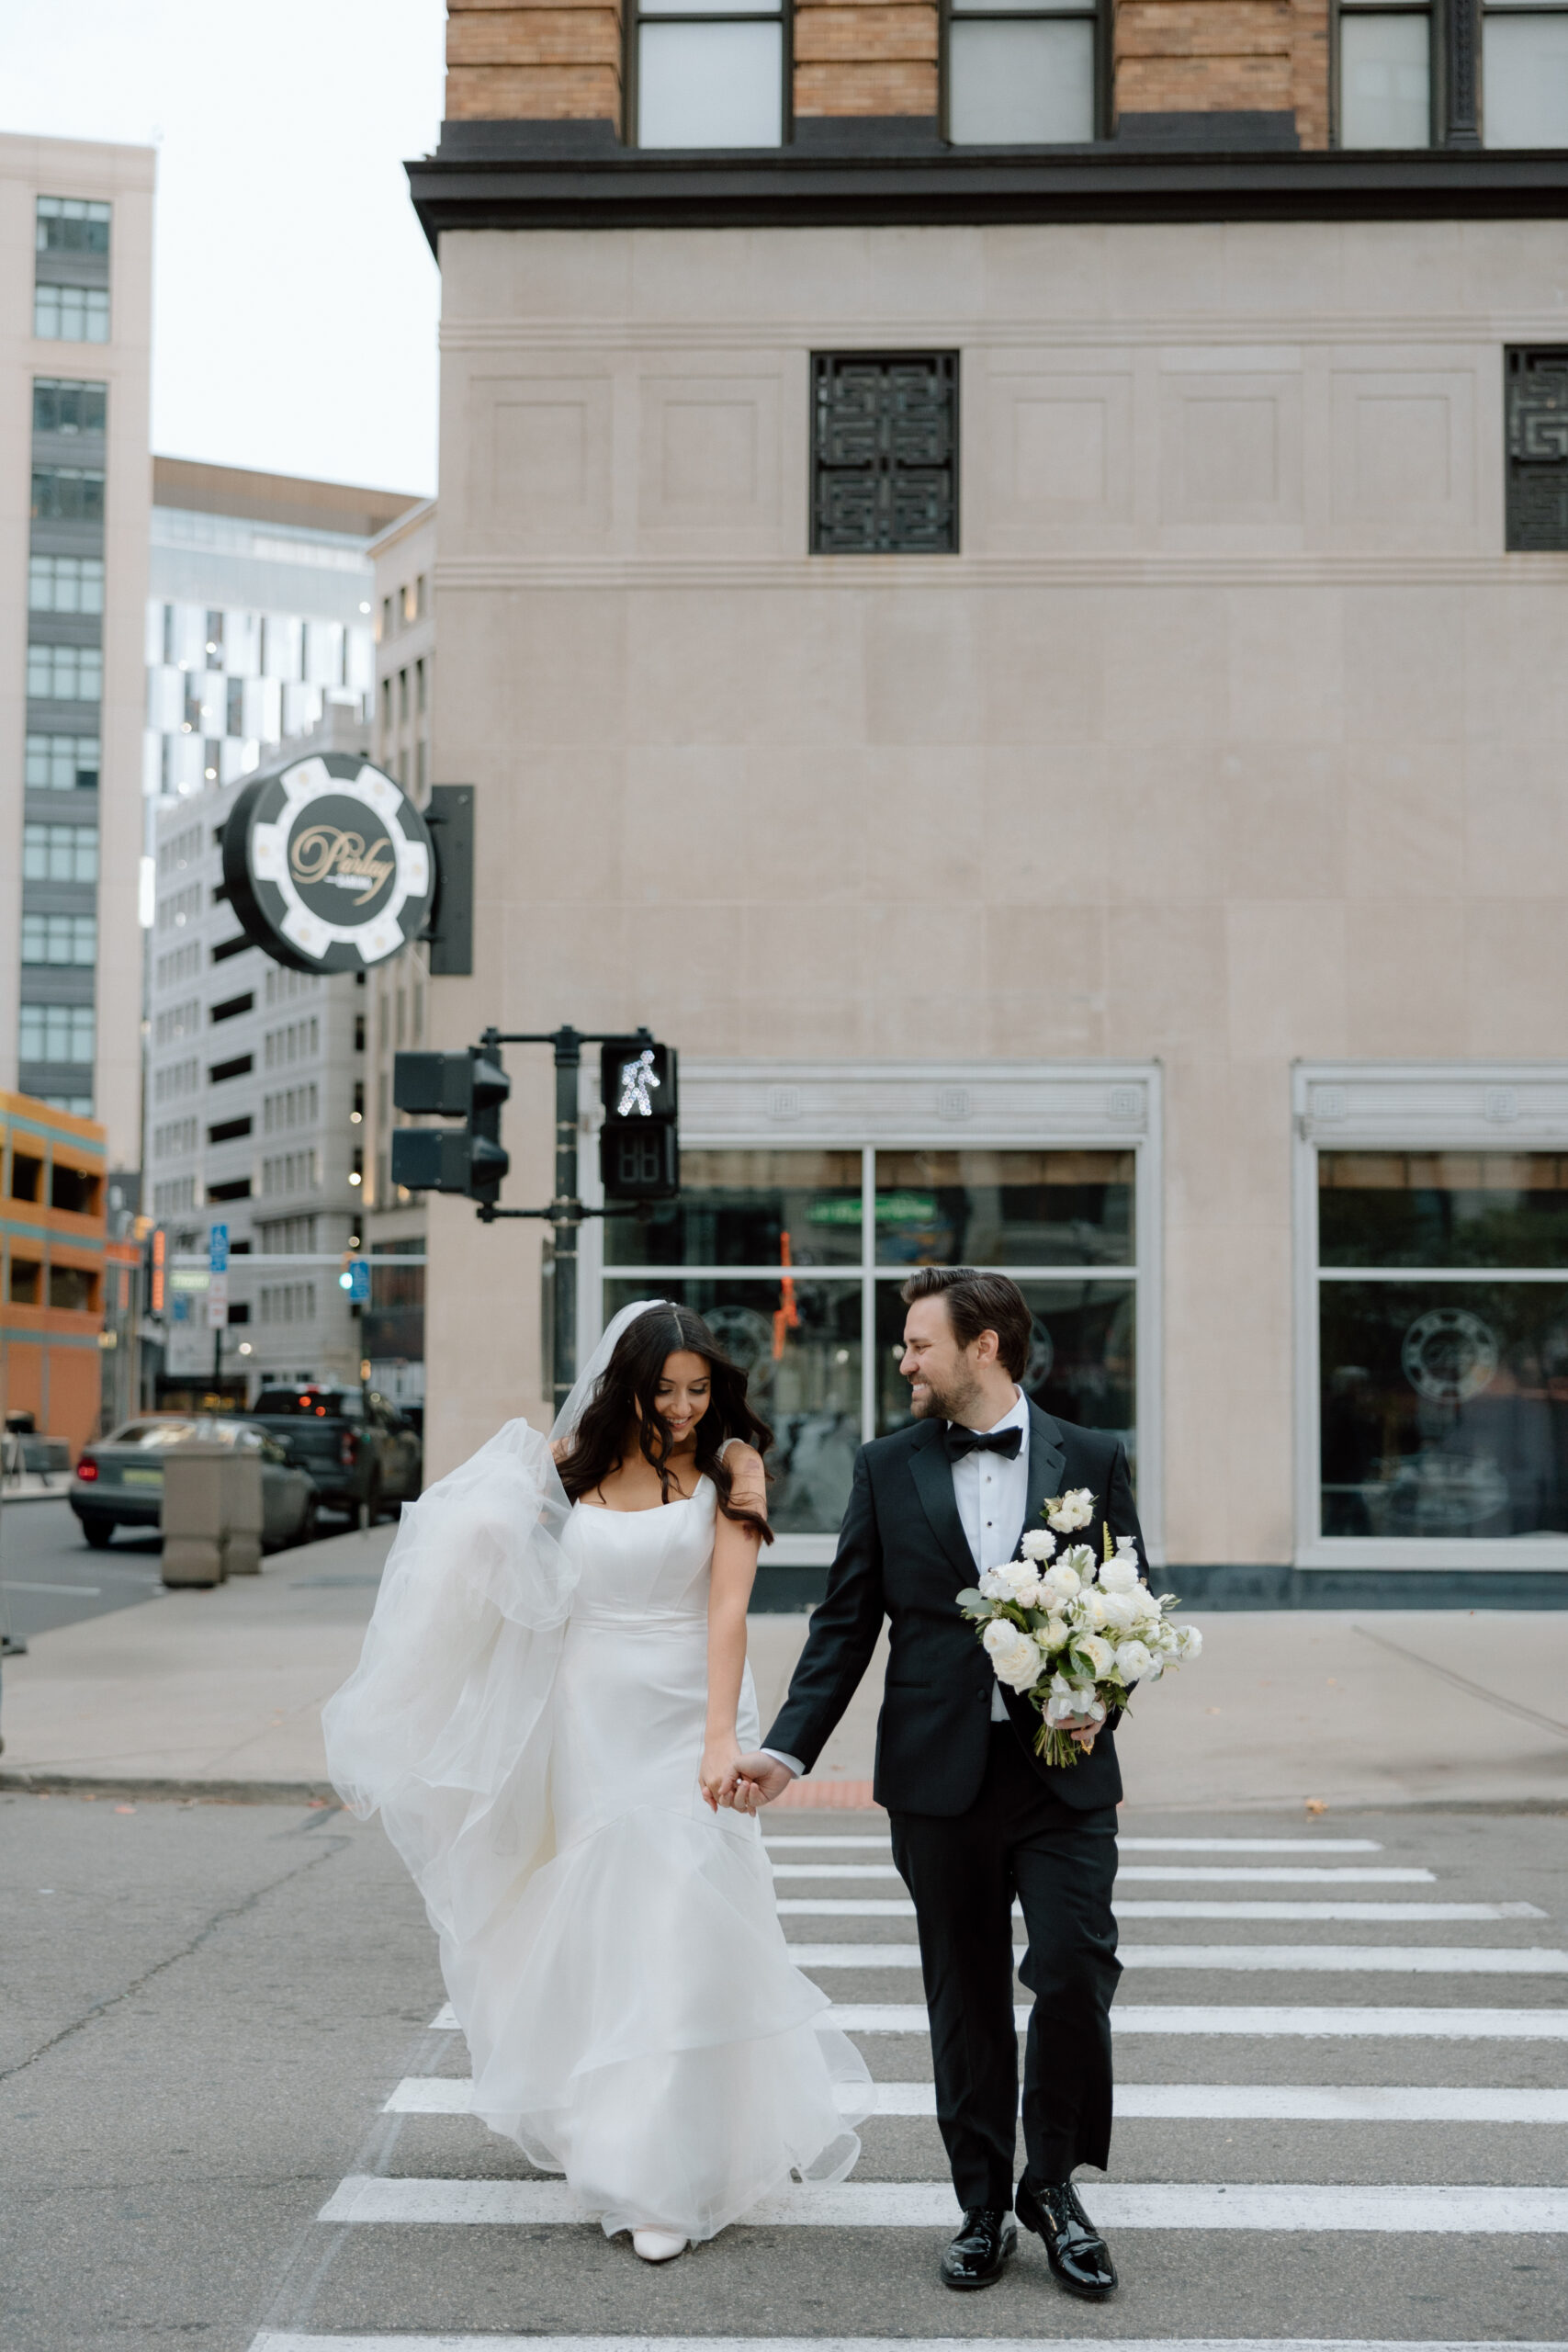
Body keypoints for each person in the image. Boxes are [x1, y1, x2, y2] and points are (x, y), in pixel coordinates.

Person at [323, 1298, 870, 2263]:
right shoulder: (565, 1465)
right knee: (607, 1925)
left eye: (700, 1389)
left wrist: (716, 1740)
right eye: (666, 1390)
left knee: (685, 1920)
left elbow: (728, 1614)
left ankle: (665, 2170)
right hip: (588, 1712)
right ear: (629, 1386)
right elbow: (496, 1583)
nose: (686, 1408)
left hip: (690, 1707)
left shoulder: (732, 1466)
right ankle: (611, 2129)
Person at [725, 1266, 1145, 2302]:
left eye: (918, 1343)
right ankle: (978, 2203)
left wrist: (1104, 1698)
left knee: (1076, 1967)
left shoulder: (1090, 1457)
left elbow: (1126, 1604)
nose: (903, 1361)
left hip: (1062, 1773)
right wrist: (785, 1749)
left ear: (985, 1346)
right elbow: (845, 1624)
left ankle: (1053, 2188)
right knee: (963, 1997)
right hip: (936, 1777)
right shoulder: (885, 1465)